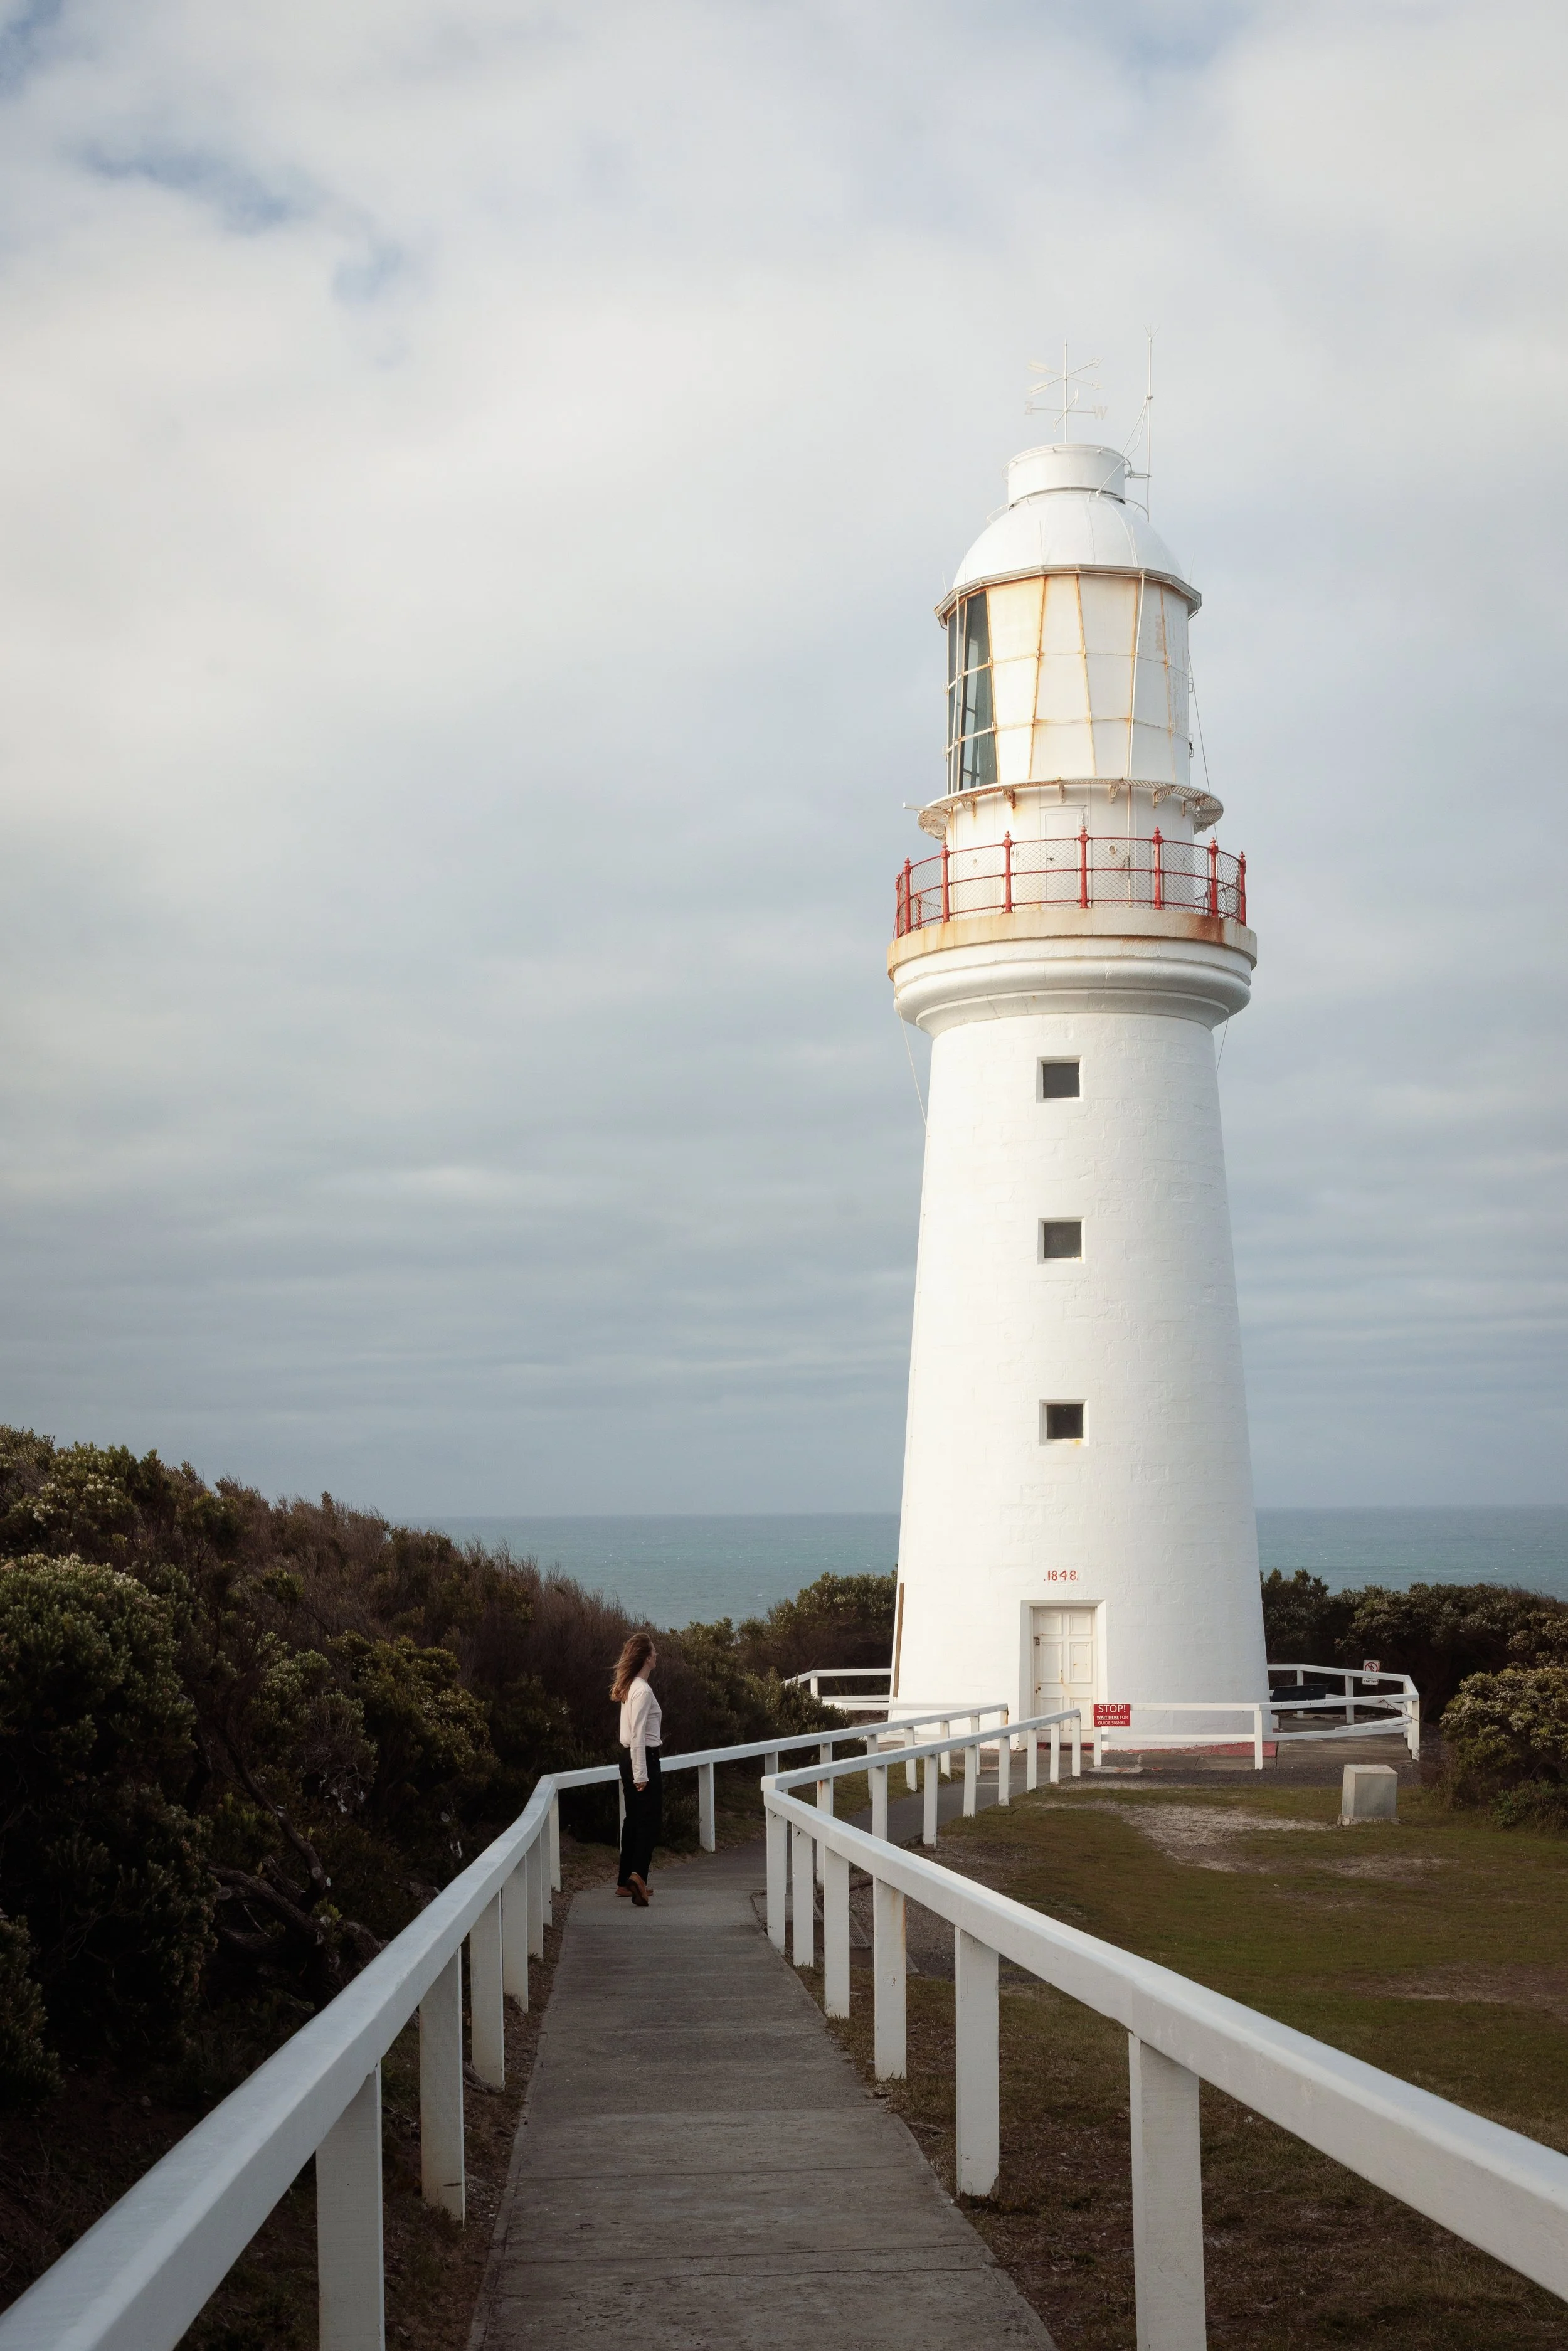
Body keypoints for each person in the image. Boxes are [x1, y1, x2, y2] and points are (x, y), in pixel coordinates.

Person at [610, 1631, 662, 1906]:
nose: (657, 1654)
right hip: (643, 1759)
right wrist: (641, 1775)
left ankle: (624, 1883)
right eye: (653, 1650)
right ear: (646, 1657)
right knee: (650, 1821)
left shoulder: (631, 1687)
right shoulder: (642, 1690)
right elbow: (639, 1735)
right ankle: (638, 1878)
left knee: (633, 1820)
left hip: (629, 1759)